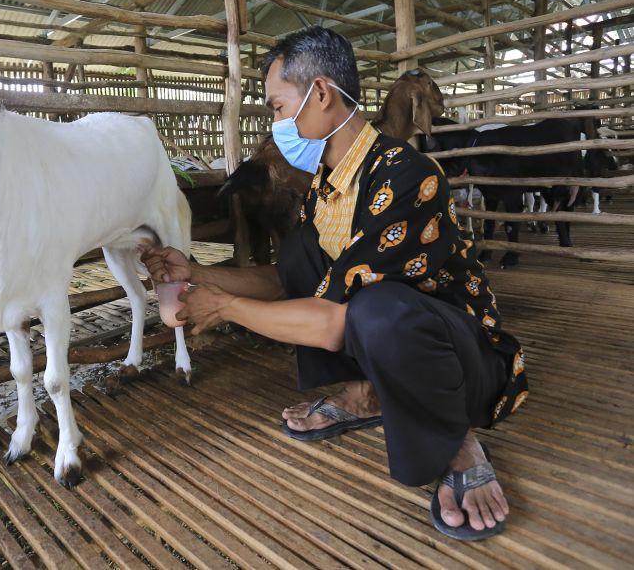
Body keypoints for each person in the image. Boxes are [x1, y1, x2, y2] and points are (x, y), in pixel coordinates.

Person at [142, 27, 528, 542]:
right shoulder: (326, 184)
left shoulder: (409, 175)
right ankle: (369, 391)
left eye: (279, 108)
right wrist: (198, 274)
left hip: (462, 363)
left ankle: (456, 439)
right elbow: (287, 280)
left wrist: (225, 307)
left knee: (379, 309)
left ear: (321, 94)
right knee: (305, 251)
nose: (276, 124)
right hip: (396, 347)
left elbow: (332, 323)